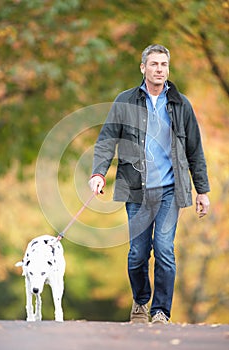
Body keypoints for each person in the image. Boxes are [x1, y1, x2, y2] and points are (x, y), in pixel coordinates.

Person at [88, 44, 210, 324]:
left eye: (164, 65)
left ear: (168, 68)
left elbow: (195, 149)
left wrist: (202, 190)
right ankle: (141, 303)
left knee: (165, 249)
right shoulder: (126, 101)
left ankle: (160, 311)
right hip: (136, 189)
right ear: (143, 68)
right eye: (154, 64)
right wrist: (98, 173)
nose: (159, 70)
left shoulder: (181, 104)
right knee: (137, 254)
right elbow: (107, 140)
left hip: (170, 190)